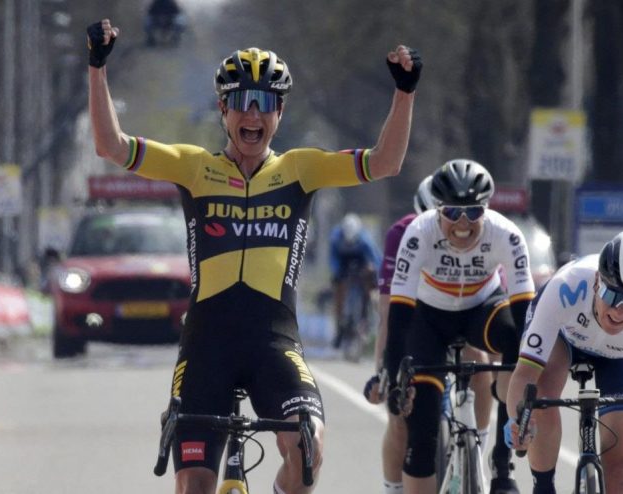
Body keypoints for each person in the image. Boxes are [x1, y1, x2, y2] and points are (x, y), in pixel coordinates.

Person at [86, 18, 421, 494]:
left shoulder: (301, 169)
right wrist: (97, 68)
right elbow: (110, 146)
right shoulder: (194, 167)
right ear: (223, 109)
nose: (253, 115)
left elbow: (385, 162)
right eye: (242, 102)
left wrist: (404, 93)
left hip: (274, 343)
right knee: (195, 484)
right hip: (206, 347)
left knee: (308, 450)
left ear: (280, 112)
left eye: (265, 104)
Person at [384, 159, 534, 494]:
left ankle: (501, 463)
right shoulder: (418, 234)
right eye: (452, 213)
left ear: (487, 209)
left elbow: (525, 311)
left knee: (514, 339)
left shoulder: (507, 234)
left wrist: (525, 380)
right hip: (429, 317)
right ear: (438, 211)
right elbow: (399, 315)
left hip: (482, 308)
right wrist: (395, 375)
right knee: (421, 437)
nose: (463, 223)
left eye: (473, 213)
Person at [505, 229, 623, 494]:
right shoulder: (566, 286)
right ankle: (543, 487)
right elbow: (524, 374)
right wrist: (517, 420)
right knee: (540, 400)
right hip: (564, 338)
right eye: (613, 296)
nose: (619, 312)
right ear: (596, 281)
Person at [362, 175, 497, 494]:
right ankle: (394, 489)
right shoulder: (402, 234)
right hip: (420, 318)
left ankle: (479, 451)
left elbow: (494, 296)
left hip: (465, 313)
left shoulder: (481, 229)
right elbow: (388, 311)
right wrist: (384, 372)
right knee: (400, 416)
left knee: (481, 362)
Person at [328, 213, 382, 353]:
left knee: (371, 282)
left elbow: (375, 258)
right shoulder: (335, 237)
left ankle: (368, 314)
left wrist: (373, 269)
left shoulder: (365, 239)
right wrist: (337, 272)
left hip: (361, 262)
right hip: (344, 264)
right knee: (338, 288)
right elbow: (333, 259)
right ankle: (339, 325)